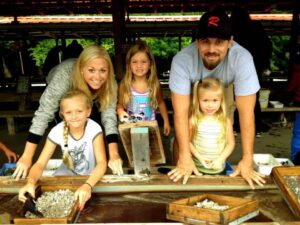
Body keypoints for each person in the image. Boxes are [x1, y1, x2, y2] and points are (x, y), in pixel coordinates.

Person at [168, 8, 265, 189]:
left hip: (222, 93)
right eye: (206, 41)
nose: (211, 49)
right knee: (184, 142)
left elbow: (246, 114)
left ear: (230, 42)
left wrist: (247, 159)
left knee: (222, 126)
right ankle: (182, 173)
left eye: (219, 42)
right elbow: (180, 114)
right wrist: (185, 157)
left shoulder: (242, 59)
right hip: (195, 95)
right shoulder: (182, 60)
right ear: (197, 42)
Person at [13, 44, 123, 180]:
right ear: (82, 69)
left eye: (103, 70)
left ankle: (94, 168)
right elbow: (43, 114)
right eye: (91, 70)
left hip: (89, 98)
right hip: (64, 91)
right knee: (69, 130)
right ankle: (72, 168)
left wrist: (114, 154)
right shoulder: (64, 76)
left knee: (92, 130)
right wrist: (26, 157)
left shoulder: (110, 82)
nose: (98, 76)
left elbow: (109, 116)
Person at [18, 89, 107, 210]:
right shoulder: (56, 131)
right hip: (63, 179)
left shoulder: (94, 129)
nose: (74, 116)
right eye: (68, 112)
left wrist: (87, 185)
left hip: (90, 179)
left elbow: (102, 163)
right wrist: (30, 182)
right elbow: (40, 163)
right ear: (62, 114)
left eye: (79, 111)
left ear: (88, 111)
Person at [230, 7, 273, 137]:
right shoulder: (256, 26)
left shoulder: (232, 28)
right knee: (253, 98)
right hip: (254, 68)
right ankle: (256, 128)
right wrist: (264, 65)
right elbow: (267, 46)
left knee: (234, 98)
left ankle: (236, 127)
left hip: (235, 68)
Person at [117, 41, 170, 136]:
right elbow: (120, 105)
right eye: (134, 62)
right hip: (133, 129)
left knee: (151, 149)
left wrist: (166, 121)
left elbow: (161, 103)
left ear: (150, 64)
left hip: (150, 129)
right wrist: (120, 111)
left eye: (143, 61)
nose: (139, 65)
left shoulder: (154, 84)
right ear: (129, 64)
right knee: (135, 150)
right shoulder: (125, 85)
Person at [189, 78, 235, 174]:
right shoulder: (194, 120)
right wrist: (199, 157)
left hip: (219, 170)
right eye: (205, 100)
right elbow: (187, 142)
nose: (210, 105)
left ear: (221, 100)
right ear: (198, 100)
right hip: (197, 170)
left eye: (215, 100)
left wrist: (220, 159)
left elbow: (231, 144)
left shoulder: (225, 121)